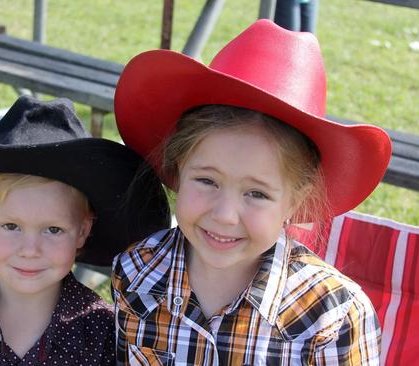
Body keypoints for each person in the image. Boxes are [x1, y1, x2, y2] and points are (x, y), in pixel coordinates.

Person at [111, 19, 390, 365]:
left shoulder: (333, 319)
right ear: (178, 168)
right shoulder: (136, 273)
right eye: (207, 181)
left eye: (256, 194)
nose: (225, 215)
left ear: (295, 200)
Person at [0, 97, 170, 365]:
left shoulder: (103, 334)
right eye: (11, 226)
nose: (30, 250)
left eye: (53, 229)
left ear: (83, 230)